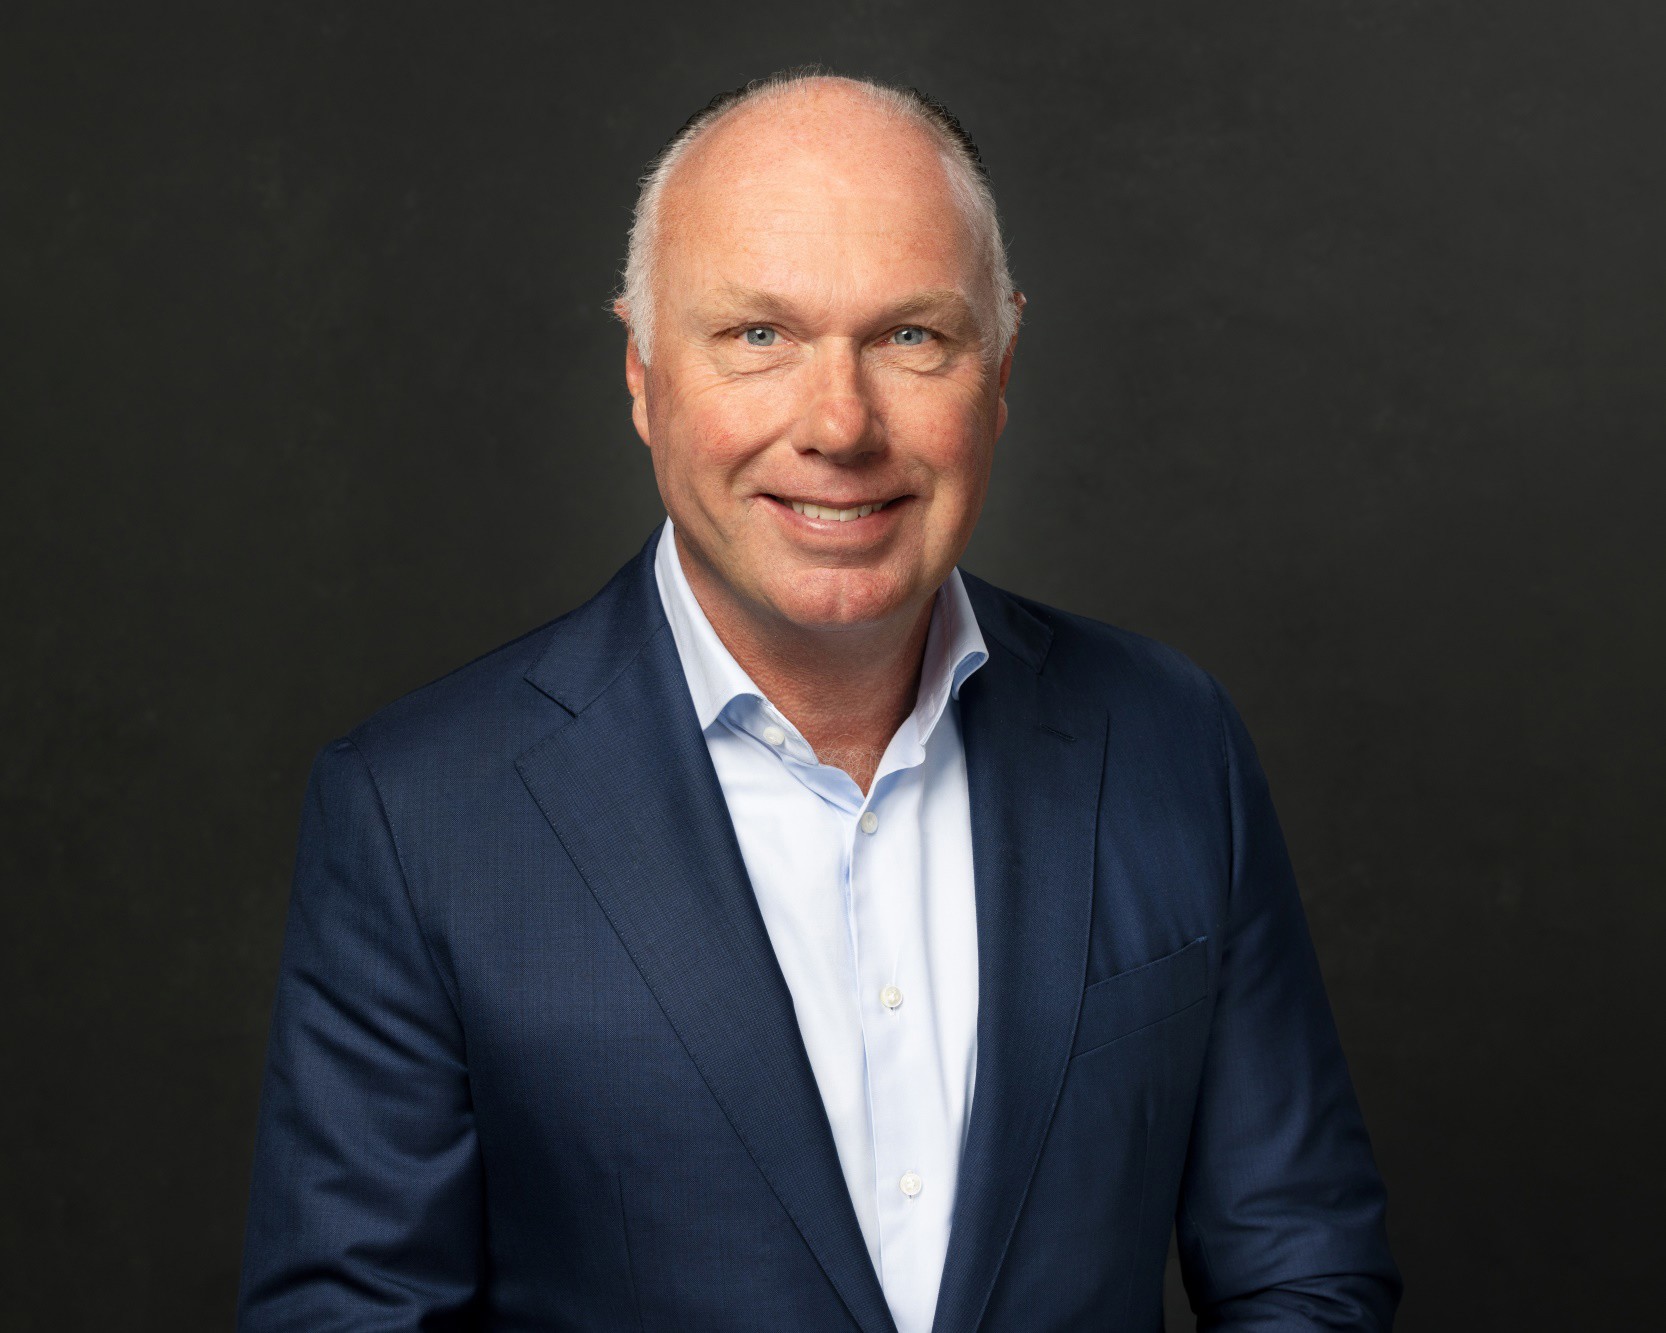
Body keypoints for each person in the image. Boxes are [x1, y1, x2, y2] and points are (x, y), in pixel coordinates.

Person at [237, 71, 1400, 1332]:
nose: (839, 425)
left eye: (910, 337)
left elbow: (1304, 1269)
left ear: (999, 370)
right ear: (641, 373)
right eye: (758, 336)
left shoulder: (1169, 739)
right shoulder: (418, 815)